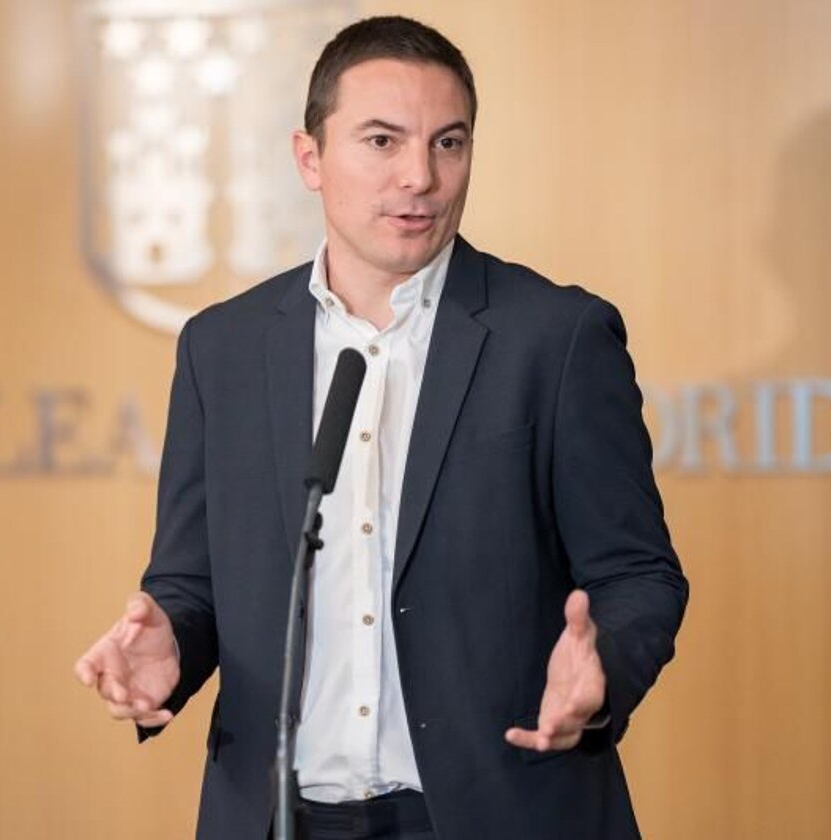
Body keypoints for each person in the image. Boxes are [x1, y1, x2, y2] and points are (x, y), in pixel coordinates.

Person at [75, 15, 687, 840]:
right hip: (280, 817)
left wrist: (603, 671)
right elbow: (194, 584)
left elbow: (639, 576)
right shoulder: (222, 348)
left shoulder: (557, 338)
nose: (420, 178)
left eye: (448, 144)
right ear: (309, 159)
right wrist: (172, 652)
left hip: (498, 810)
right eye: (381, 141)